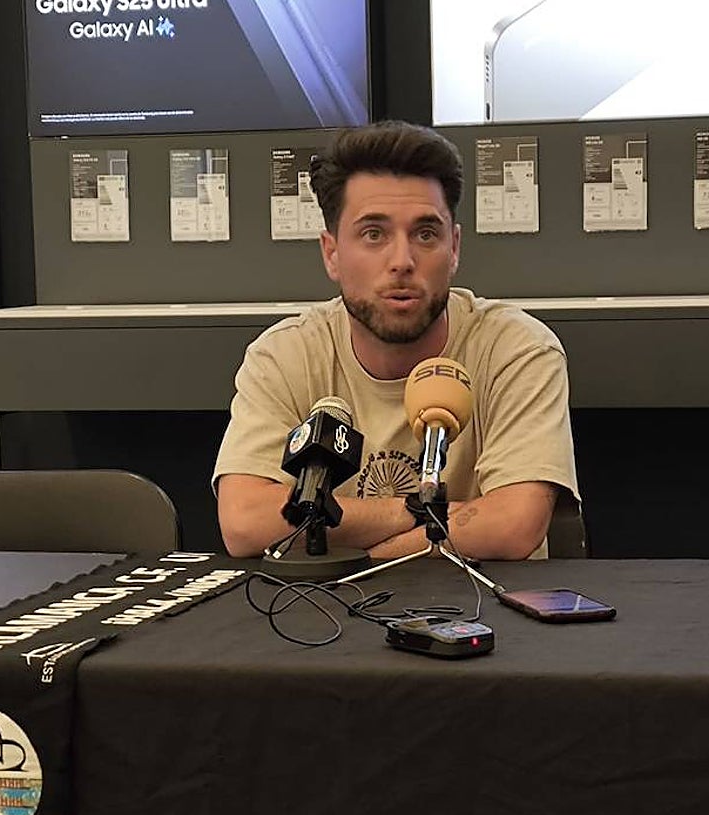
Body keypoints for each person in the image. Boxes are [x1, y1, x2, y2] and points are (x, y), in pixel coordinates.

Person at [214, 121, 577, 560]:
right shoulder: (285, 354)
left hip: (480, 616)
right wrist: (414, 514)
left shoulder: (516, 349)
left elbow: (512, 527)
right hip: (321, 617)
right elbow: (245, 521)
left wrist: (365, 556)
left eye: (426, 234)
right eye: (374, 234)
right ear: (332, 253)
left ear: (455, 248)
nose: (402, 261)